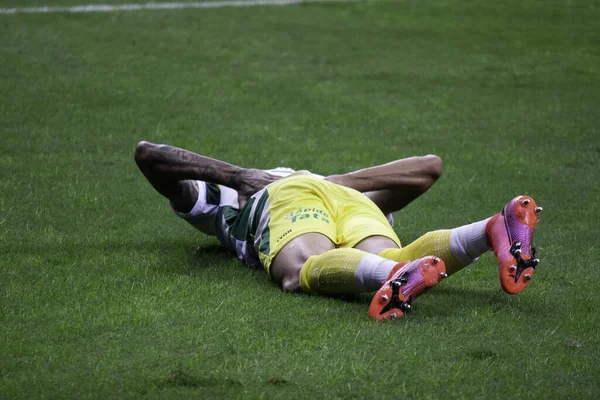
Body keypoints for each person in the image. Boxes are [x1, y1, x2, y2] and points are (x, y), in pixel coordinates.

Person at [134, 141, 542, 320]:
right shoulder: (233, 195)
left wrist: (246, 179)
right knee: (393, 261)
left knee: (301, 270)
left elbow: (148, 154)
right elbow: (429, 167)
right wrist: (336, 183)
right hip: (350, 199)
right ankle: (491, 228)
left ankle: (392, 278)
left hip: (289, 196)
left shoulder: (220, 199)